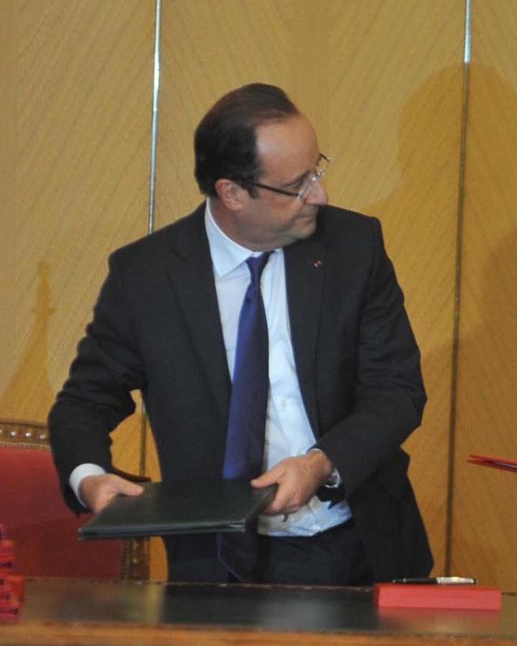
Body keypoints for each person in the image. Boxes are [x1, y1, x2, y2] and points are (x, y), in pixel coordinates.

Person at [49, 83, 432, 585]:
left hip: (360, 545)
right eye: (297, 184)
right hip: (218, 562)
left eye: (317, 169)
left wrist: (321, 463)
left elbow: (397, 389)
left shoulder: (353, 249)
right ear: (232, 192)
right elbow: (84, 401)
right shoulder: (146, 278)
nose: (320, 194)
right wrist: (90, 478)